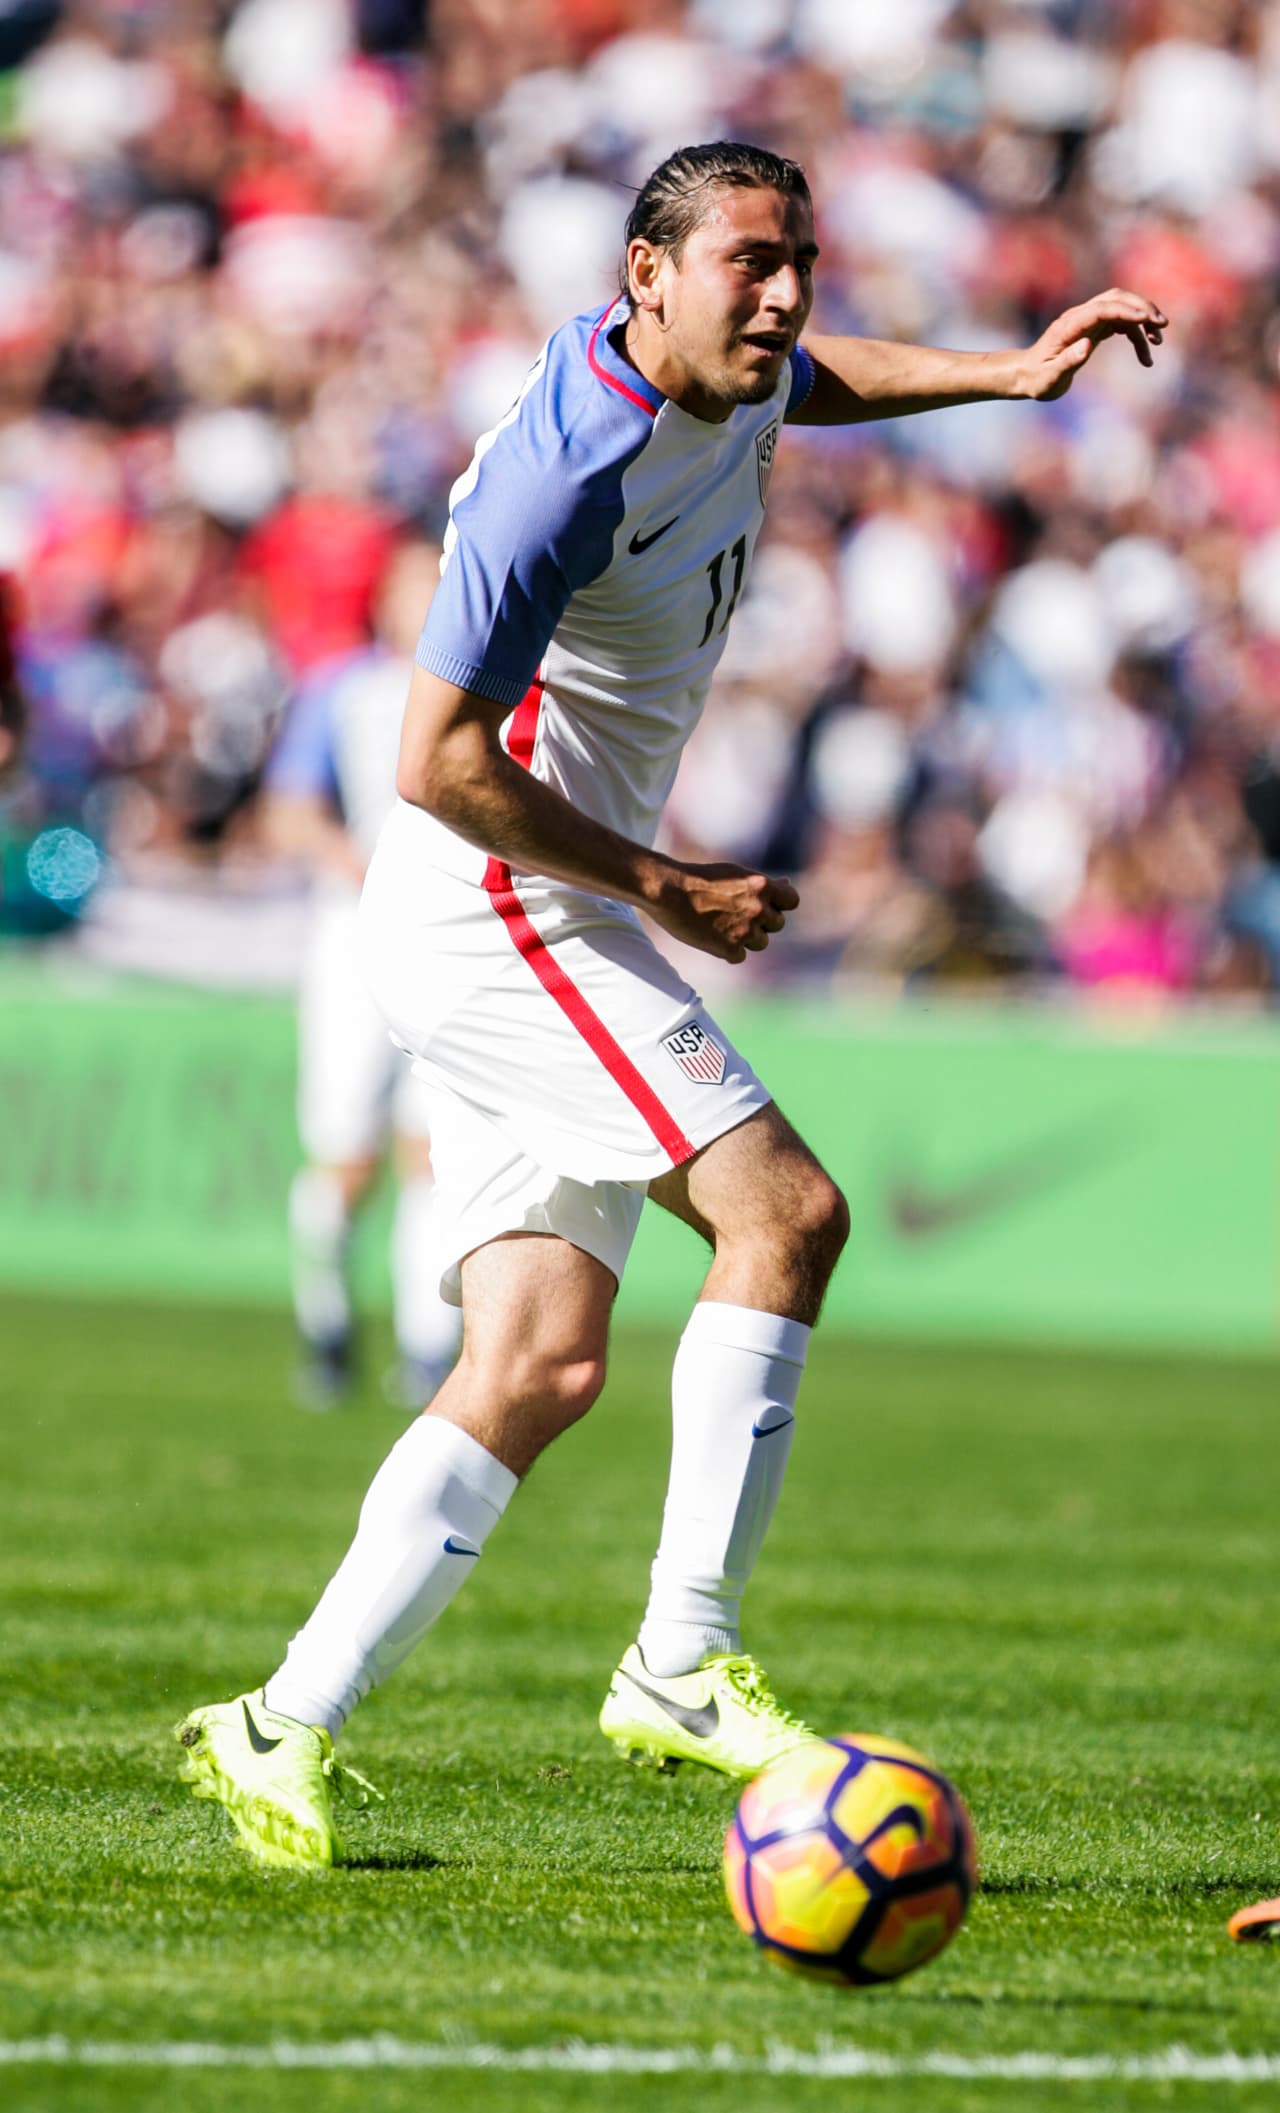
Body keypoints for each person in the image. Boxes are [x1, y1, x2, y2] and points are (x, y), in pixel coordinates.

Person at [176, 141, 1166, 1870]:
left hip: (545, 899)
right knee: (788, 1213)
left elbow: (808, 378)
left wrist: (1007, 373)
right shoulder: (564, 470)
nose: (783, 298)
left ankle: (277, 1723)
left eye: (799, 261)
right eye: (747, 265)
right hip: (500, 900)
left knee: (539, 1361)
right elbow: (432, 764)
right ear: (647, 272)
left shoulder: (733, 367)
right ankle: (681, 1655)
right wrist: (667, 885)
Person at [259, 539, 462, 1412]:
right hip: (356, 934)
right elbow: (288, 810)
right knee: (347, 1153)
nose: (428, 601)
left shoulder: (486, 683)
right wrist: (356, 863)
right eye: (414, 586)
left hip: (452, 937)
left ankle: (428, 1349)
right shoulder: (343, 688)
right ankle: (328, 1326)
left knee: (433, 1150)